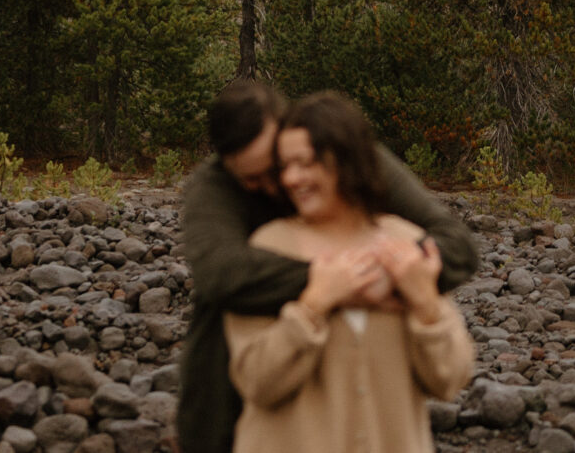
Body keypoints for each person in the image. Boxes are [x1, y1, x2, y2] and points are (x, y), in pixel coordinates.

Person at [176, 79, 477, 453]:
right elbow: (220, 275)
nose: (280, 183)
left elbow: (457, 246)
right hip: (229, 348)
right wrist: (332, 285)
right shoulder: (215, 186)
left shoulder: (347, 155)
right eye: (253, 180)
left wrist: (396, 279)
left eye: (280, 165)